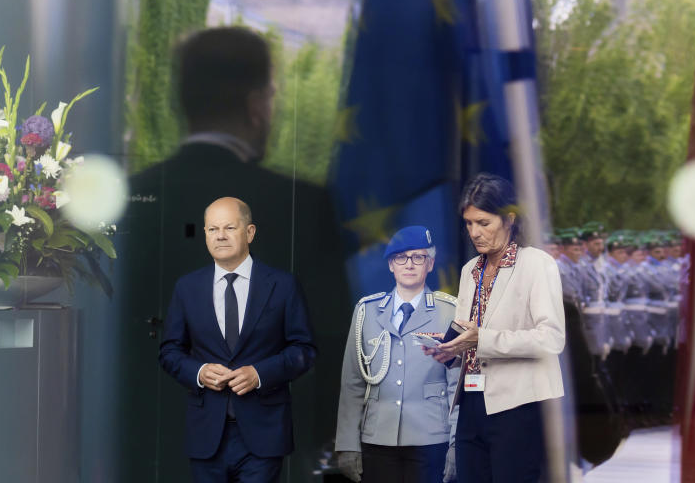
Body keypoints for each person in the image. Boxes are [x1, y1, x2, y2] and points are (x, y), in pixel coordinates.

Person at [121, 27, 346, 480]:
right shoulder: (301, 205)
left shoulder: (130, 200)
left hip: (145, 452)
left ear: (181, 102)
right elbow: (329, 342)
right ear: (258, 103)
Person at [158, 197, 317, 482]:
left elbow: (304, 350)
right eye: (212, 229)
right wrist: (199, 372)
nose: (220, 236)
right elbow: (169, 351)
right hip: (207, 433)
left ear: (250, 232)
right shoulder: (187, 287)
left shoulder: (282, 285)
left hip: (263, 433)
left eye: (229, 227)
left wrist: (260, 374)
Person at [424, 173, 565, 482]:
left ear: (509, 219)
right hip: (471, 403)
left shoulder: (537, 264)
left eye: (483, 223)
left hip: (518, 405)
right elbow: (469, 336)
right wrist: (449, 348)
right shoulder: (469, 270)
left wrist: (482, 339)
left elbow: (551, 339)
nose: (475, 232)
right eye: (469, 223)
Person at [335, 226, 460, 483]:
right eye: (401, 257)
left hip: (432, 439)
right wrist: (347, 442)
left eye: (418, 257)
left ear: (431, 263)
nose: (409, 264)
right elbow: (353, 383)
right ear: (391, 264)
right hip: (378, 439)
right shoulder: (366, 312)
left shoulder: (450, 313)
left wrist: (457, 444)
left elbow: (456, 386)